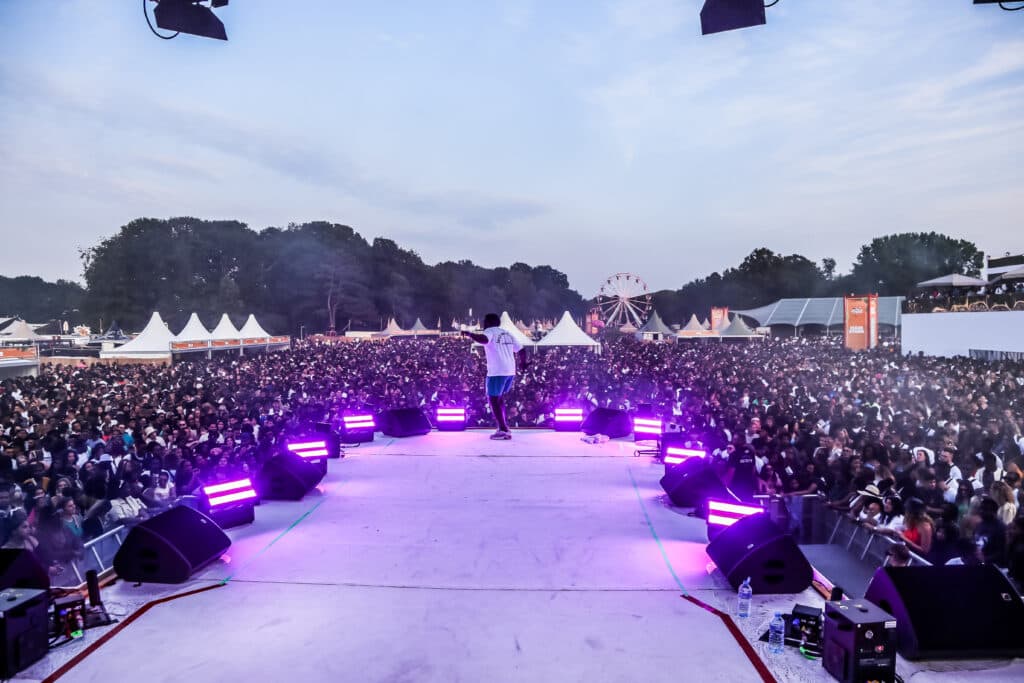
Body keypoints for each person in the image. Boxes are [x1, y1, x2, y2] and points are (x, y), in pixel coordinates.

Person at [460, 313, 525, 440]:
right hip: (510, 371)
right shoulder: (507, 333)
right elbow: (521, 350)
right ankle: (503, 426)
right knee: (499, 399)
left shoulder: (490, 331)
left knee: (493, 399)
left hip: (497, 371)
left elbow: (484, 339)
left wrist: (470, 334)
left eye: (485, 321)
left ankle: (503, 429)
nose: (484, 324)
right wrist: (523, 363)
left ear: (489, 322)